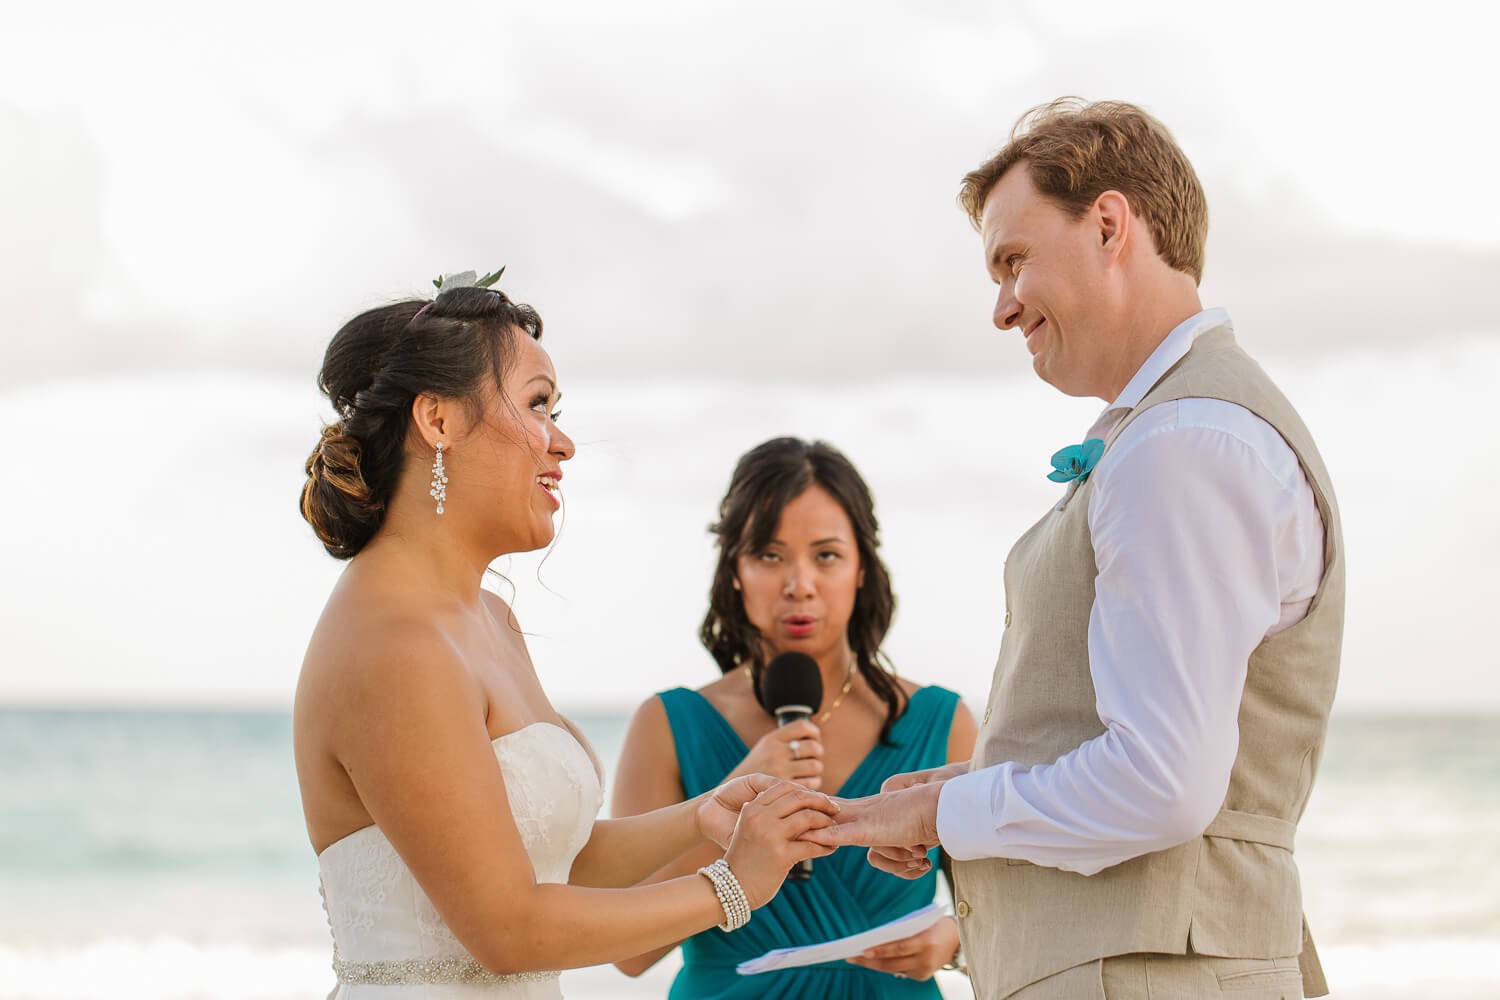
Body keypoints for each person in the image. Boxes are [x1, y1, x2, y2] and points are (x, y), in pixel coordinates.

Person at [806, 100, 1344, 999]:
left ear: (1108, 224)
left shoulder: (1183, 442)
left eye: (1013, 262)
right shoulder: (1173, 433)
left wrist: (947, 808)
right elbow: (1132, 745)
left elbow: (1161, 786)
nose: (1002, 308)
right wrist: (941, 801)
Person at [293, 274, 839, 999]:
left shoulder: (490, 618)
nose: (564, 443)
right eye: (537, 404)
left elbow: (556, 865)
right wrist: (730, 888)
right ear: (439, 421)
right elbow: (508, 929)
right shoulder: (393, 645)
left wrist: (705, 814)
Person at [611, 437, 977, 998]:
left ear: (861, 568)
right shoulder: (666, 724)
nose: (798, 585)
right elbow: (628, 954)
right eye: (769, 556)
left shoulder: (943, 722)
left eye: (826, 555)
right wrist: (731, 805)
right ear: (735, 569)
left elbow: (1011, 902)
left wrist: (955, 939)